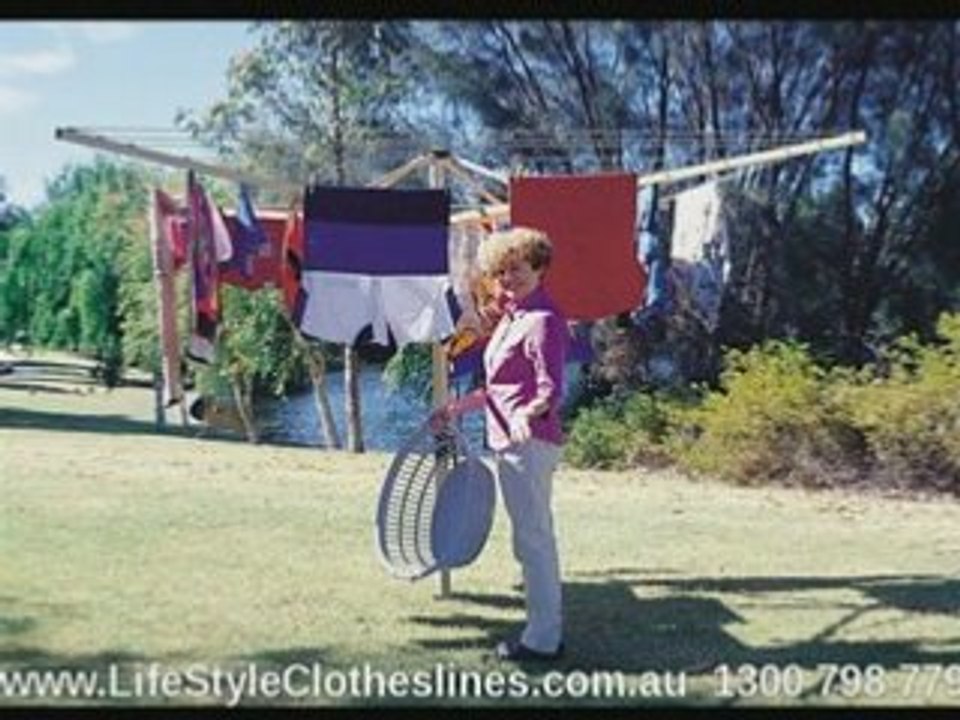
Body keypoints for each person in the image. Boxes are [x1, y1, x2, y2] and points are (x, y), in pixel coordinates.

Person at [431, 226, 568, 662]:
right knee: (528, 538)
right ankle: (543, 626)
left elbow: (550, 388)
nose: (508, 278)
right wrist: (457, 409)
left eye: (518, 269)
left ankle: (543, 640)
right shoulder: (511, 318)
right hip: (506, 440)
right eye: (502, 271)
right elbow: (499, 389)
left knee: (534, 539)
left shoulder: (543, 320)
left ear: (540, 268)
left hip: (529, 442)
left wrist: (531, 413)